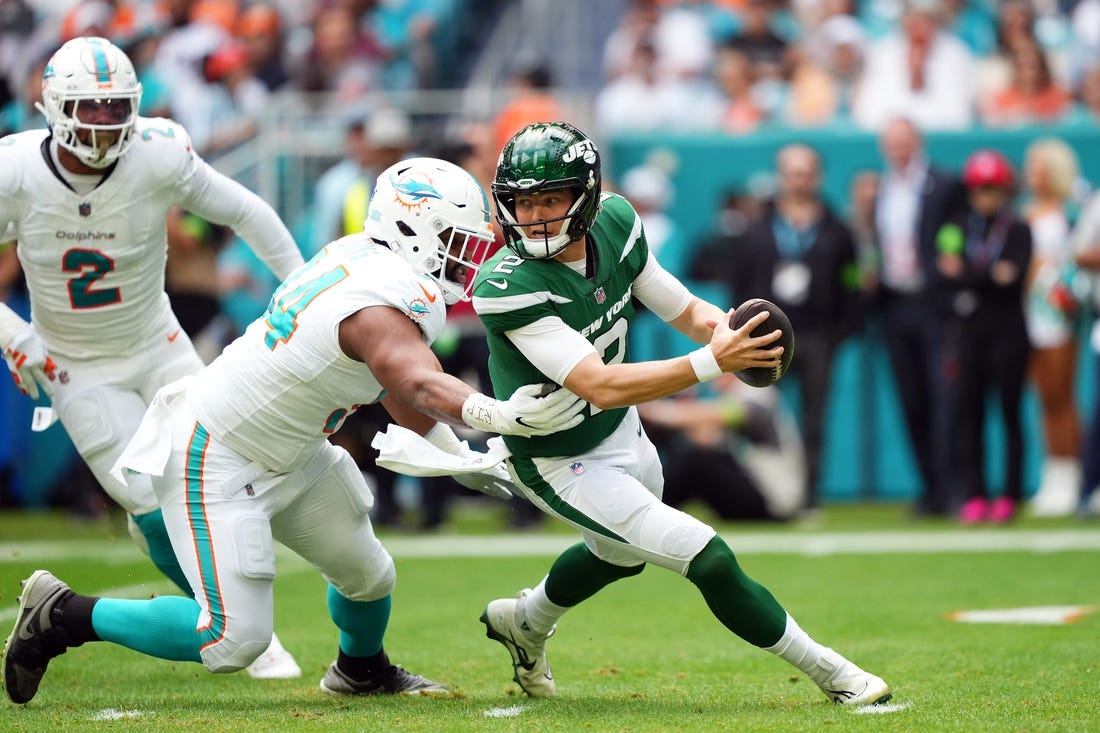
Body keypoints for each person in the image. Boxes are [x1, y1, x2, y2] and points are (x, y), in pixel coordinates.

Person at [2, 157, 587, 705]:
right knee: (231, 641)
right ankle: (62, 613)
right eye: (458, 241)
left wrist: (455, 453)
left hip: (294, 448)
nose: (469, 256)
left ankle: (361, 672)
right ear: (414, 230)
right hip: (218, 454)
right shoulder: (384, 297)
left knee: (369, 575)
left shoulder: (368, 259)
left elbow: (392, 382)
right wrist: (497, 417)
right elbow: (416, 382)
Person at [471, 121, 890, 706]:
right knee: (707, 556)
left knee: (616, 557)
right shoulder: (506, 283)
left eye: (551, 198)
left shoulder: (615, 223)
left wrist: (731, 333)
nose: (536, 215)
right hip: (557, 455)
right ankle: (835, 675)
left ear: (586, 197)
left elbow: (684, 307)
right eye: (524, 201)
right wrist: (713, 362)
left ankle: (526, 621)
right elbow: (598, 383)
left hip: (620, 433)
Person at [0, 36, 306, 678]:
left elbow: (247, 211)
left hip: (158, 343)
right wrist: (11, 328)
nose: (107, 123)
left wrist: (305, 291)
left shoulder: (158, 153)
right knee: (145, 495)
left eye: (117, 109)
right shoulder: (16, 169)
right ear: (53, 107)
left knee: (214, 469)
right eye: (92, 108)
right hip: (74, 364)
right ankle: (214, 610)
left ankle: (230, 609)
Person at [721, 143, 863, 516]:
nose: (798, 180)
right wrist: (743, 334)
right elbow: (739, 282)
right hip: (766, 338)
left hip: (818, 337)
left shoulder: (838, 230)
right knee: (761, 417)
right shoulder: (756, 229)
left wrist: (839, 333)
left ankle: (808, 498)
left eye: (805, 172)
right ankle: (765, 493)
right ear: (781, 176)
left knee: (815, 420)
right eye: (791, 172)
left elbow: (852, 283)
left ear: (817, 176)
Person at [871, 117, 967, 517]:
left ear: (918, 142)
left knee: (943, 398)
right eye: (892, 142)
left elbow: (955, 227)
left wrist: (949, 253)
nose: (899, 149)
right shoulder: (883, 189)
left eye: (904, 141)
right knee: (911, 399)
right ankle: (929, 489)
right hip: (896, 304)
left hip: (933, 304)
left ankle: (953, 489)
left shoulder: (943, 182)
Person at [936, 150, 1033, 524]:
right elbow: (946, 274)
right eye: (979, 188)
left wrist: (970, 274)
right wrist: (991, 274)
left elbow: (1015, 275)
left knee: (1009, 413)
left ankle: (1010, 493)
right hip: (969, 333)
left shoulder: (1017, 228)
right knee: (969, 416)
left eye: (992, 188)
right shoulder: (955, 227)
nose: (986, 196)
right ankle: (975, 493)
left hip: (1009, 333)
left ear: (1005, 190)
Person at [1021, 138, 1083, 518]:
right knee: (1044, 396)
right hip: (1028, 311)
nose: (1034, 175)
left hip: (1056, 310)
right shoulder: (1026, 210)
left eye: (1041, 167)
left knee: (1063, 396)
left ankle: (1074, 475)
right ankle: (1053, 476)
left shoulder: (1070, 210)